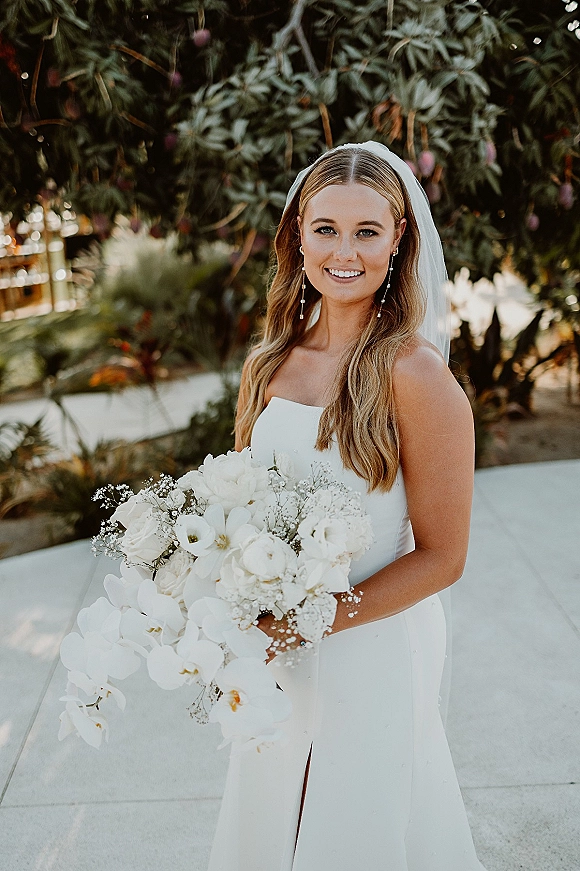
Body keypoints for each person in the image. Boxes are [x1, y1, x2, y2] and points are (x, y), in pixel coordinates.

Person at [207, 141, 487, 871]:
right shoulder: (270, 363)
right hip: (278, 646)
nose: (344, 251)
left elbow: (444, 556)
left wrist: (316, 620)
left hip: (373, 643)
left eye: (367, 231)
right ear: (297, 234)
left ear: (399, 240)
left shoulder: (415, 376)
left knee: (355, 826)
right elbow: (240, 513)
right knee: (275, 815)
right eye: (326, 227)